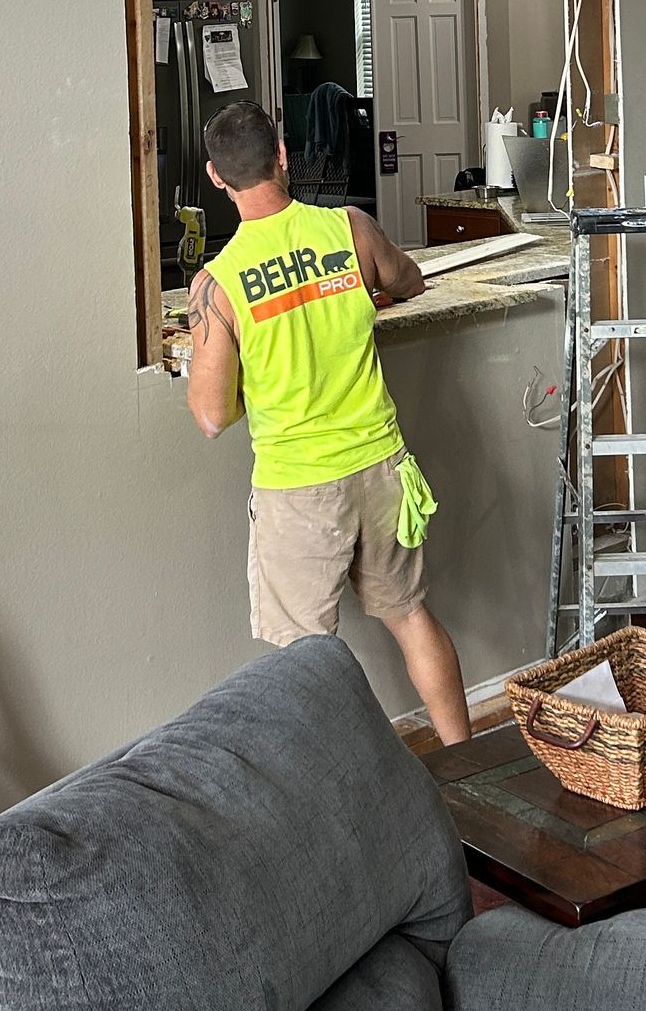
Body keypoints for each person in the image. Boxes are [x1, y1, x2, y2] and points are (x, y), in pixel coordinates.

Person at [185, 98, 472, 744]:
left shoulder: (220, 283)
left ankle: (339, 793)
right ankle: (465, 769)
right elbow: (408, 281)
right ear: (282, 157)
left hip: (300, 488)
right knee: (412, 617)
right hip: (382, 468)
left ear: (216, 177)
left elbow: (210, 415)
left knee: (303, 662)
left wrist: (252, 379)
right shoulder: (349, 228)